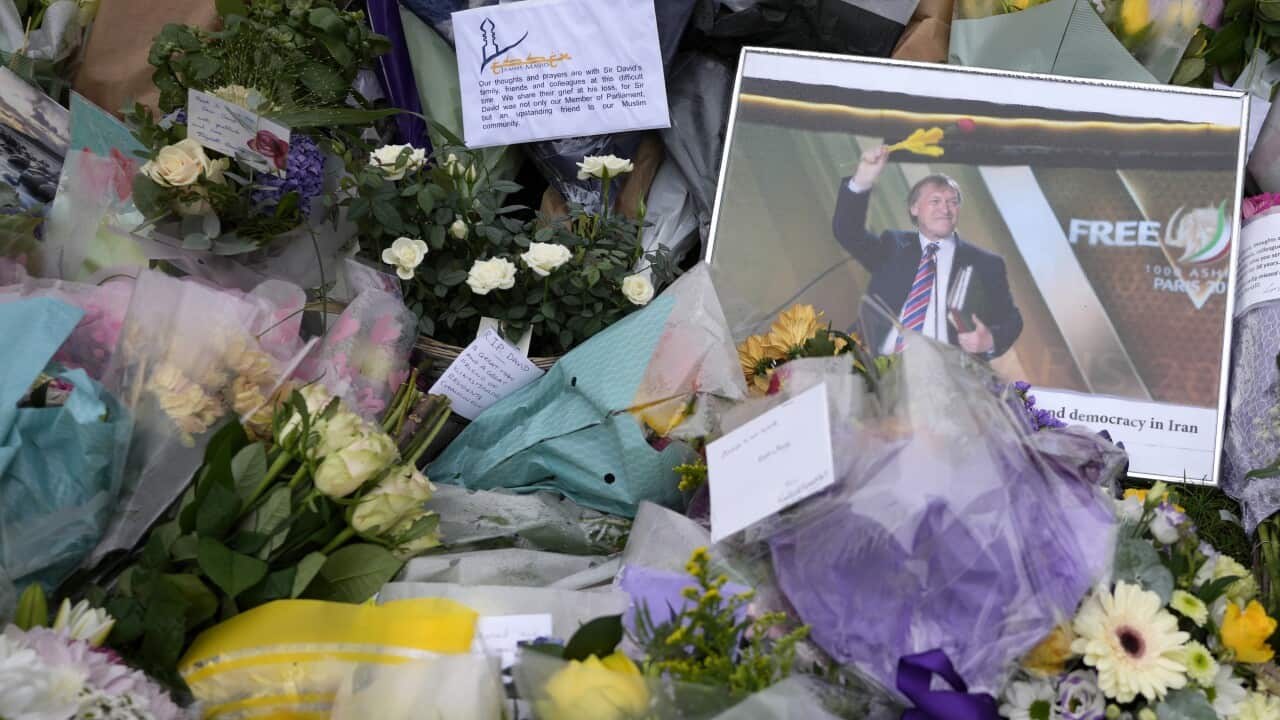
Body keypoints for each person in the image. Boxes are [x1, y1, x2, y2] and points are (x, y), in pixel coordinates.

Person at [832, 144, 1022, 359]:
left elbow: (1011, 319)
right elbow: (847, 231)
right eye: (935, 201)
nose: (945, 209)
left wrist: (990, 339)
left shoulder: (986, 263)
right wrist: (862, 179)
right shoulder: (893, 245)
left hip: (943, 374)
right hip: (872, 364)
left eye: (953, 202)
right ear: (914, 208)